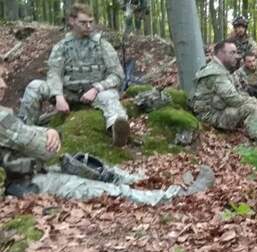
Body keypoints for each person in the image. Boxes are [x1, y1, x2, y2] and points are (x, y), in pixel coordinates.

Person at [0, 78, 214, 205]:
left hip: (30, 170)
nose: (3, 84)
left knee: (93, 166)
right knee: (96, 188)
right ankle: (173, 196)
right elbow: (45, 150)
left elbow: (25, 136)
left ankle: (148, 180)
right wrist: (51, 132)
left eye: (3, 77)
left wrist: (46, 129)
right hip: (24, 184)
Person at [18, 3, 130, 147]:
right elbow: (54, 73)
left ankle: (117, 131)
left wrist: (97, 88)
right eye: (83, 23)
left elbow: (117, 75)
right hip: (68, 94)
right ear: (72, 21)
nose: (88, 26)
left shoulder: (103, 45)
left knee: (109, 97)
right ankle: (24, 130)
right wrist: (58, 96)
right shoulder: (62, 47)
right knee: (35, 86)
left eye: (91, 22)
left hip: (95, 94)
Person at [190, 40, 257, 140]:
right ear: (221, 54)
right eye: (232, 52)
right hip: (210, 116)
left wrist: (254, 101)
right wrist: (255, 101)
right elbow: (233, 99)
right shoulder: (216, 73)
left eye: (236, 52)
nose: (237, 56)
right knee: (250, 109)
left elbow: (237, 92)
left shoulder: (219, 69)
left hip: (217, 109)